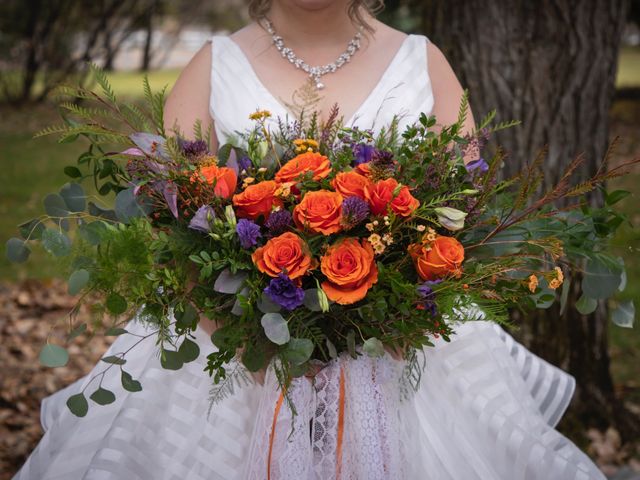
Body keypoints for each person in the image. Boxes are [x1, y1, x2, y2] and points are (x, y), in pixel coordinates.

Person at [14, 1, 607, 478]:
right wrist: (240, 322)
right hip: (232, 339)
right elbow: (169, 210)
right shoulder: (215, 61)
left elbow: (464, 202)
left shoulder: (422, 60)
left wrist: (396, 308)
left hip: (402, 341)